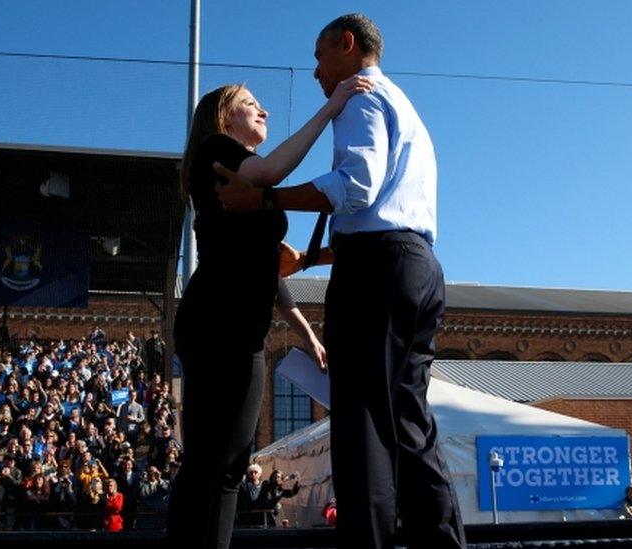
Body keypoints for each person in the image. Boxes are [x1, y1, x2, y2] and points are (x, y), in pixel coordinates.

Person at [214, 13, 464, 549]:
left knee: (362, 427)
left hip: (375, 273)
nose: (316, 72)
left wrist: (263, 197)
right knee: (410, 424)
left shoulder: (360, 98)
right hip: (417, 267)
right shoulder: (403, 106)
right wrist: (310, 259)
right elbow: (384, 218)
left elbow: (355, 190)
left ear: (347, 46)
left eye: (319, 57)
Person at [165, 65, 372, 548]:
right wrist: (331, 106)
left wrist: (307, 334)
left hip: (236, 326)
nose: (264, 109)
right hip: (220, 324)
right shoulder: (219, 154)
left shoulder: (242, 176)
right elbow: (272, 171)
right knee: (219, 462)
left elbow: (270, 270)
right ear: (224, 118)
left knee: (227, 461)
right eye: (250, 103)